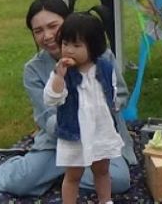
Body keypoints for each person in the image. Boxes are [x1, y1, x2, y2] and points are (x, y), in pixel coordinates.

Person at [0, 0, 136, 197]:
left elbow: (121, 95)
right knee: (20, 184)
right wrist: (71, 132)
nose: (47, 36)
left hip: (98, 135)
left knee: (117, 180)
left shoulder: (100, 56)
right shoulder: (34, 70)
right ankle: (8, 163)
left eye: (52, 26)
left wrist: (99, 114)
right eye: (38, 31)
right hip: (59, 138)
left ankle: (58, 175)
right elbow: (46, 115)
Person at [44, 12, 124, 204]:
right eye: (65, 44)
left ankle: (105, 200)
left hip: (100, 129)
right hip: (75, 133)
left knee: (102, 170)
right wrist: (59, 77)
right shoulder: (62, 73)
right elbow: (52, 98)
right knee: (73, 175)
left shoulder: (104, 67)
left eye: (76, 45)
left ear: (93, 47)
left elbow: (112, 92)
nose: (69, 50)